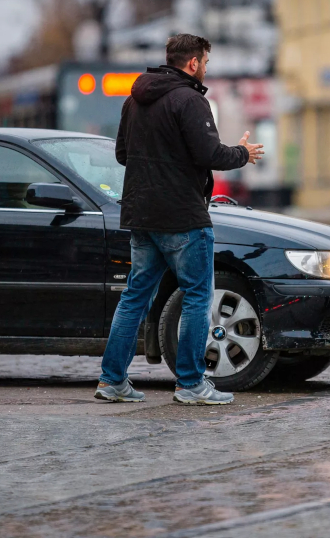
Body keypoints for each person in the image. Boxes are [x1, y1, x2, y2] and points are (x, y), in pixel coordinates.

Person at [95, 33, 264, 405]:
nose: (206, 69)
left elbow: (122, 153)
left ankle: (112, 380)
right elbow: (209, 154)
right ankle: (190, 384)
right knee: (197, 297)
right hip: (183, 217)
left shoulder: (135, 100)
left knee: (134, 297)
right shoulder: (190, 100)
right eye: (206, 62)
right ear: (193, 62)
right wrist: (243, 153)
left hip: (142, 215)